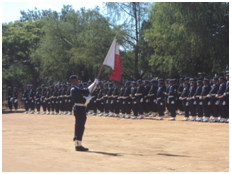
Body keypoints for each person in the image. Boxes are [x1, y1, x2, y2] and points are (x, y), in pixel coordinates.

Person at [70, 75, 97, 151]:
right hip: (79, 108)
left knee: (79, 125)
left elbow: (87, 90)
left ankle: (78, 142)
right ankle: (78, 145)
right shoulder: (74, 89)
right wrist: (88, 98)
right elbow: (81, 101)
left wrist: (95, 83)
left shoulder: (76, 89)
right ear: (73, 81)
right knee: (80, 126)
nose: (78, 82)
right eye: (77, 80)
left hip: (80, 109)